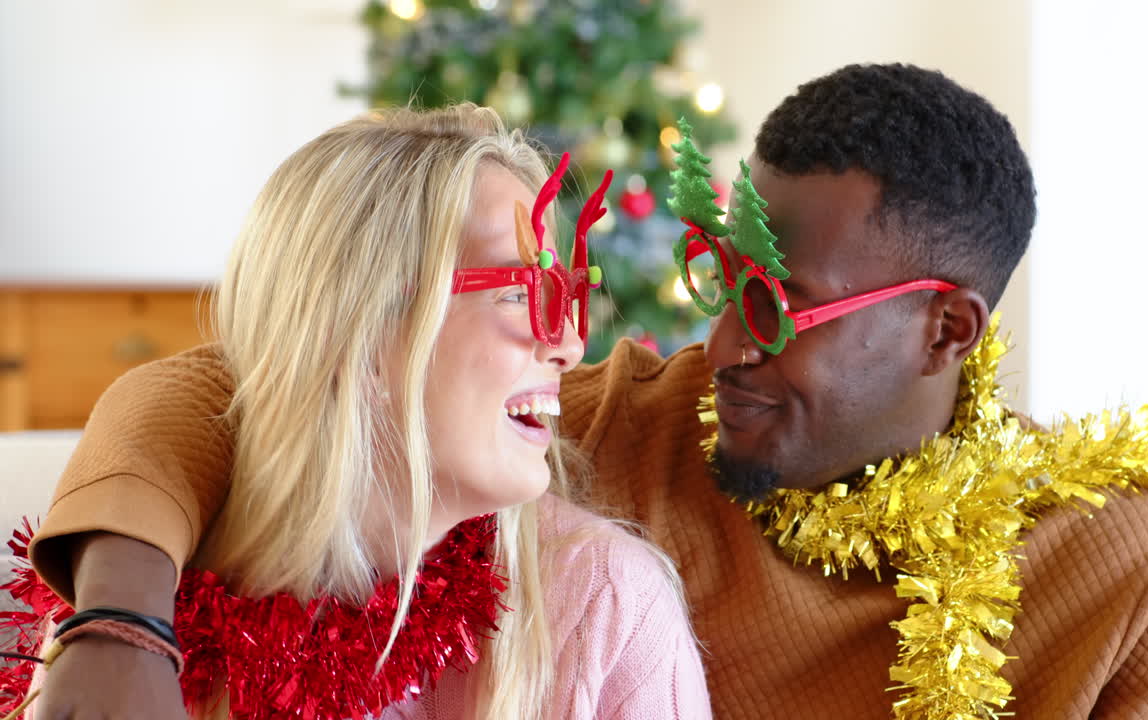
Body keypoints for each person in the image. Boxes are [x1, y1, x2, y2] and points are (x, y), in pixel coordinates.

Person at [10, 64, 1148, 719]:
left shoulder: (1125, 572)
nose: (719, 346)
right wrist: (122, 615)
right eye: (721, 279)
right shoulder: (627, 428)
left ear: (943, 330)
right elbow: (270, 370)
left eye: (775, 307)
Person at [0, 105, 711, 719]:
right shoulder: (137, 612)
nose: (569, 342)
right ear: (367, 332)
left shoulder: (604, 608)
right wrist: (123, 614)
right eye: (524, 293)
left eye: (569, 294)